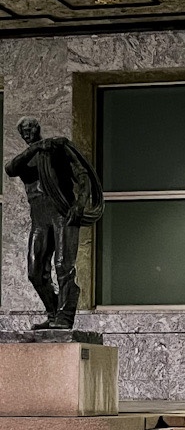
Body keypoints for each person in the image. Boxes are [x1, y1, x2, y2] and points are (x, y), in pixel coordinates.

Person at [5, 117, 103, 329]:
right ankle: (53, 312)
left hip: (62, 214)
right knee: (35, 271)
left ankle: (64, 317)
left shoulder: (57, 149)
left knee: (62, 265)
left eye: (30, 128)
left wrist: (80, 204)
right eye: (23, 131)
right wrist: (36, 147)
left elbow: (83, 175)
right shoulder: (26, 159)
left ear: (38, 128)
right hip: (39, 218)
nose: (27, 133)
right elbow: (10, 168)